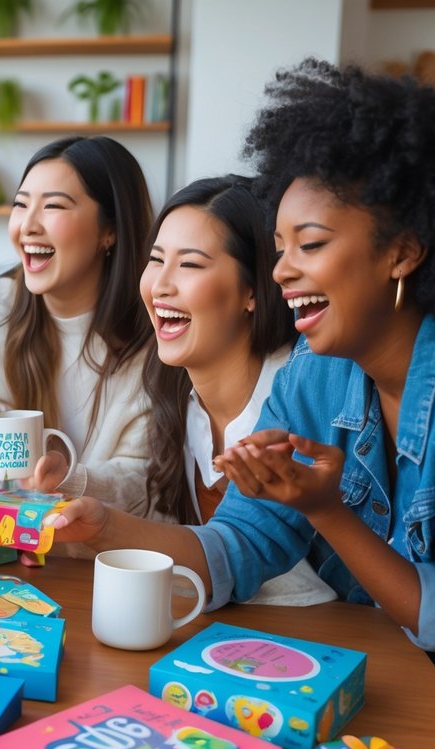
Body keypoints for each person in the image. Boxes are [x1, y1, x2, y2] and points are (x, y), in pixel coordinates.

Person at [48, 60, 435, 708]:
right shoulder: (313, 377)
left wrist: (326, 510)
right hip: (386, 685)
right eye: (278, 248)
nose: (282, 273)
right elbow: (240, 546)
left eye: (309, 245)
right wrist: (104, 525)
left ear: (402, 252)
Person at [141, 175, 333, 604]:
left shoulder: (307, 390)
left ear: (252, 290)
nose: (159, 285)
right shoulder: (170, 387)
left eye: (189, 264)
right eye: (156, 260)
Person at [0, 137, 155, 520]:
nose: (28, 225)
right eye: (20, 204)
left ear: (109, 231)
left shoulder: (151, 326)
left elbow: (145, 480)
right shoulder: (1, 303)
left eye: (53, 206)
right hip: (20, 539)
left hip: (112, 547)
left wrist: (71, 479)